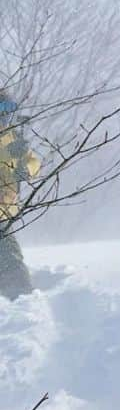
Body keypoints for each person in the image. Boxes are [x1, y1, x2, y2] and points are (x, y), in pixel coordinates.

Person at [0, 92, 41, 300]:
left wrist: (25, 169)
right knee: (9, 256)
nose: (3, 116)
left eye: (7, 110)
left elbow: (33, 162)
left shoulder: (13, 137)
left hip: (5, 208)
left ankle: (19, 298)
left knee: (9, 255)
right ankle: (21, 298)